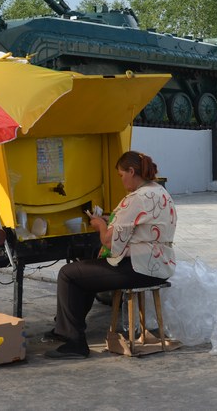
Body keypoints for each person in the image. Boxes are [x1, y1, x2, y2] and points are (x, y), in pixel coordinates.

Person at [44, 151, 177, 359]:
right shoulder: (159, 191)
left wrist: (100, 224)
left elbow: (109, 242)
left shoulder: (136, 198)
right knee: (85, 271)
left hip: (139, 267)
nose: (122, 180)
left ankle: (74, 341)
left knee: (68, 273)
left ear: (132, 171)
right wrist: (111, 220)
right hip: (161, 264)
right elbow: (137, 226)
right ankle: (68, 330)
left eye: (122, 175)